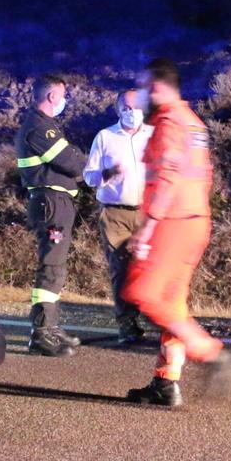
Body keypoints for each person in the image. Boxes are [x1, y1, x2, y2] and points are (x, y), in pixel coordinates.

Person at [121, 58, 231, 407]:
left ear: (156, 88)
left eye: (143, 87)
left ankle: (211, 352)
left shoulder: (170, 122)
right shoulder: (193, 122)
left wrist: (149, 226)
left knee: (143, 292)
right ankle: (166, 382)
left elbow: (169, 175)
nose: (139, 95)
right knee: (172, 302)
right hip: (194, 218)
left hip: (173, 221)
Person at [14, 74, 88, 357]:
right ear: (52, 96)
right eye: (63, 95)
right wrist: (87, 166)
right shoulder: (39, 128)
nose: (64, 101)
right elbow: (69, 161)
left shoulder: (42, 126)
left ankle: (50, 327)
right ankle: (42, 332)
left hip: (55, 202)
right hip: (51, 201)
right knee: (51, 265)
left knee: (55, 266)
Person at [83, 87, 152, 345]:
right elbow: (89, 176)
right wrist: (107, 173)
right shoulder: (105, 137)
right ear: (118, 109)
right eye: (126, 107)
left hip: (147, 214)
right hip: (115, 214)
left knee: (149, 268)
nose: (131, 112)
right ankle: (127, 324)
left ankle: (155, 315)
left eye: (135, 107)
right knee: (121, 269)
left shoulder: (153, 135)